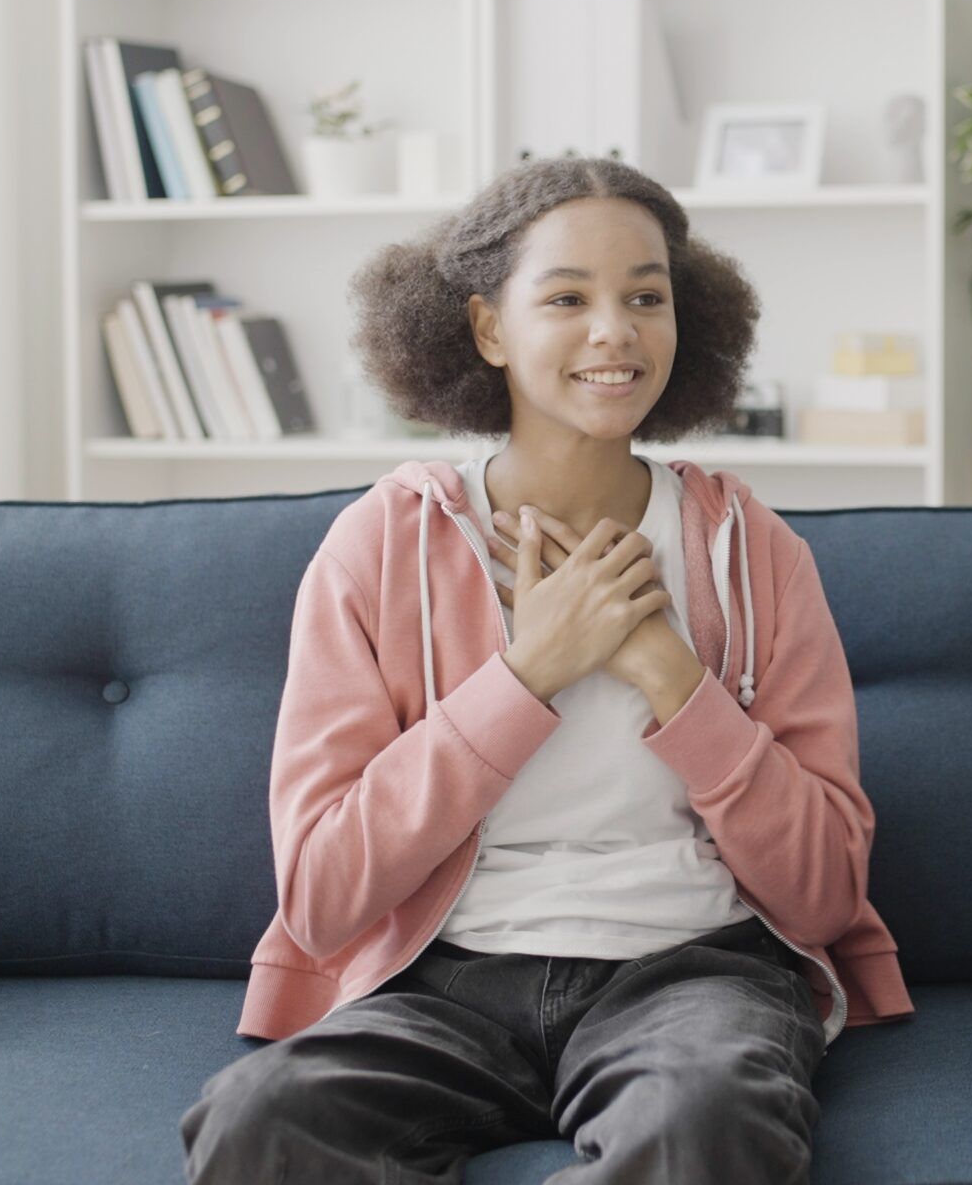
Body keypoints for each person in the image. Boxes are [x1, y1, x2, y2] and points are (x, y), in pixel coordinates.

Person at [181, 157, 913, 1184]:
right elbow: (320, 894)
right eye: (567, 297)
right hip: (442, 986)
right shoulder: (381, 545)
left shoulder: (749, 549)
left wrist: (668, 672)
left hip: (693, 973)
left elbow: (826, 890)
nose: (615, 332)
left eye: (646, 297)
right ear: (487, 328)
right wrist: (530, 673)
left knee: (708, 1127)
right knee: (259, 1123)